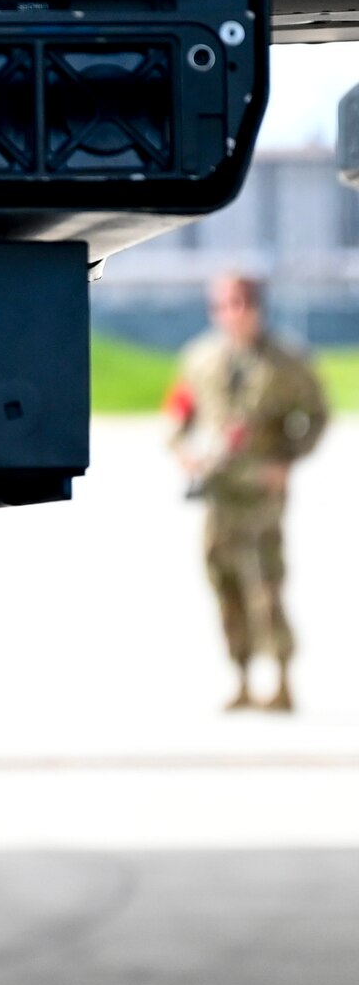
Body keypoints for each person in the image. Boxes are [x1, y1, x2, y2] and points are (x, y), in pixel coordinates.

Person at [166, 271, 327, 712]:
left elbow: (315, 414)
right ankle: (240, 676)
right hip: (217, 489)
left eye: (240, 303)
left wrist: (287, 460)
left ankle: (281, 677)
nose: (231, 313)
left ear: (256, 306)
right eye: (222, 305)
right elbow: (179, 413)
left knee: (265, 582)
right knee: (223, 580)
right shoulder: (200, 359)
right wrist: (184, 450)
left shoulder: (285, 361)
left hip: (260, 489)